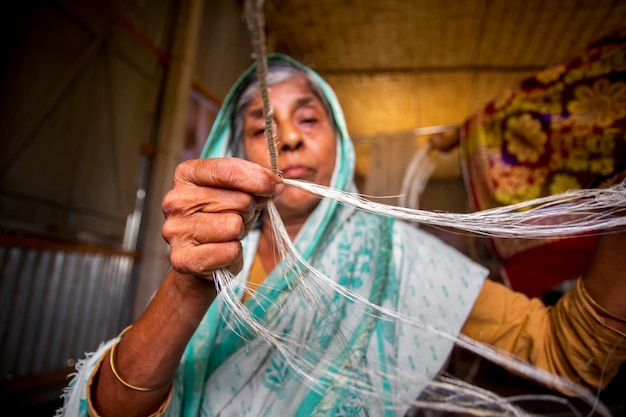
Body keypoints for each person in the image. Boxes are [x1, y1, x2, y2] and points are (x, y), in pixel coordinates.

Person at [58, 54, 626, 417]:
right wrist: (186, 289)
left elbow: (564, 356)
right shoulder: (205, 258)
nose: (289, 140)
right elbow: (110, 411)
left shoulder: (402, 262)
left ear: (342, 143)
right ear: (236, 152)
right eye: (263, 127)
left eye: (308, 119)